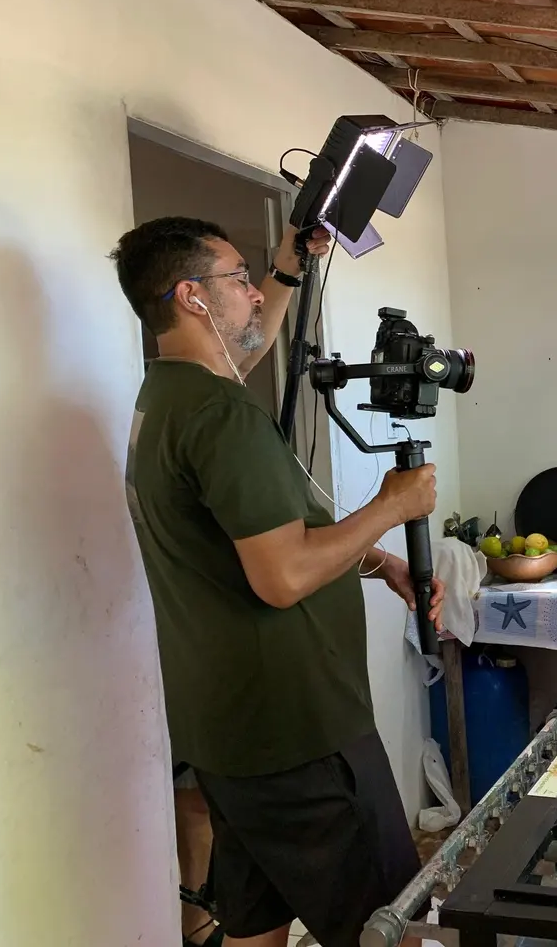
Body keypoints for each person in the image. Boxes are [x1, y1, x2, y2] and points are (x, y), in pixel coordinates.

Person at [111, 216, 444, 947]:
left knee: (255, 927)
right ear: (194, 298)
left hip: (228, 734)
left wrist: (371, 558)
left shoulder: (163, 400)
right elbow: (283, 576)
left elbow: (238, 544)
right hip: (302, 736)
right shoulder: (221, 415)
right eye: (240, 279)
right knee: (389, 930)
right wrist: (390, 509)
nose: (255, 296)